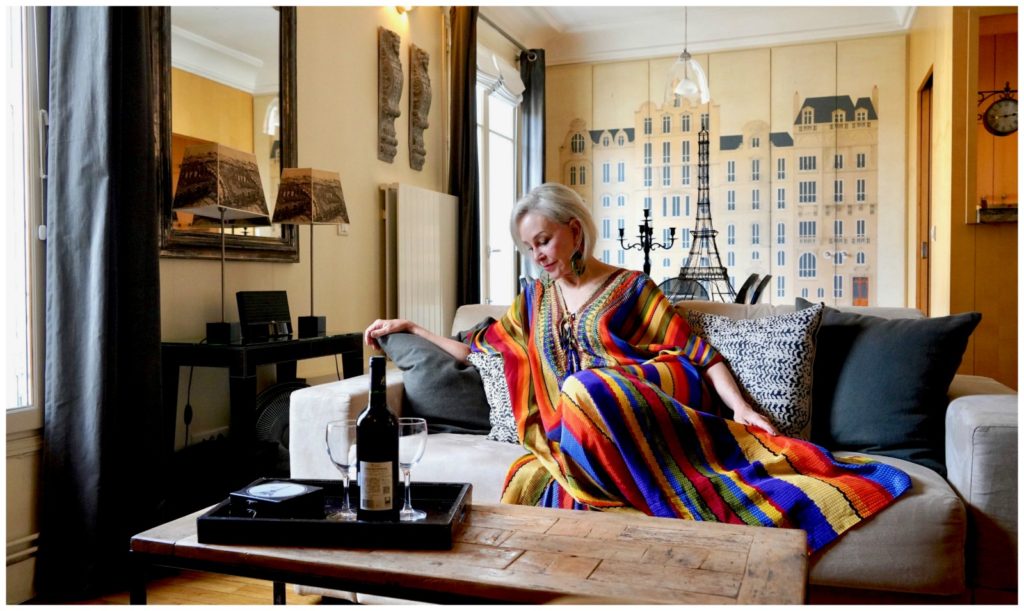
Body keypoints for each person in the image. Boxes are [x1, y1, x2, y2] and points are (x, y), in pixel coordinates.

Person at [364, 182, 910, 553]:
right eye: (529, 248)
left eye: (545, 240)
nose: (540, 256)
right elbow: (480, 348)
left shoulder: (630, 287)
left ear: (575, 229)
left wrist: (744, 409)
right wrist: (413, 328)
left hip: (639, 403)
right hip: (577, 427)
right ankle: (607, 506)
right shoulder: (533, 300)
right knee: (566, 412)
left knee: (583, 388)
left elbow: (696, 353)